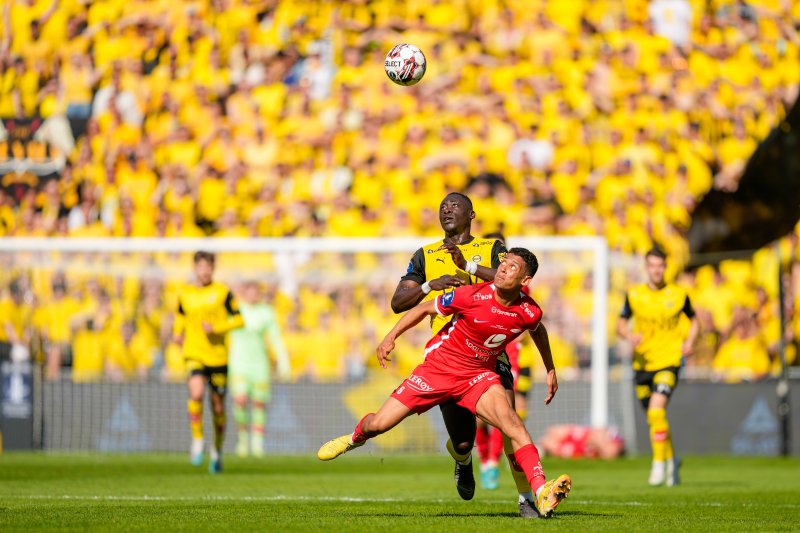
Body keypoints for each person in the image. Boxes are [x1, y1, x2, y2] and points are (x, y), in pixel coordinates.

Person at [319, 248, 571, 518]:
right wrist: (391, 336)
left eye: (512, 267)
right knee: (379, 424)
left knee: (513, 424)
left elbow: (538, 330)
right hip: (437, 371)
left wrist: (550, 368)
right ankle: (354, 438)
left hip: (478, 376)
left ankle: (540, 491)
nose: (502, 268)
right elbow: (426, 307)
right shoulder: (472, 295)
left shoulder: (529, 311)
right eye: (503, 263)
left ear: (525, 280)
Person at [391, 193, 538, 517]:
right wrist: (431, 284)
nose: (447, 210)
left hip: (489, 352)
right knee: (461, 440)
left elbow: (515, 286)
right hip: (449, 354)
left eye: (454, 206)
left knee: (509, 422)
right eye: (443, 206)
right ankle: (464, 460)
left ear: (471, 214)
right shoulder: (425, 254)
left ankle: (526, 498)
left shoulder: (492, 248)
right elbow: (398, 302)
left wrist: (467, 266)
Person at [617, 247, 699, 486]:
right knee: (656, 418)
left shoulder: (678, 294)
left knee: (656, 411)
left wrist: (690, 342)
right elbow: (620, 324)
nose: (656, 270)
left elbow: (694, 321)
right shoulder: (634, 295)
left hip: (669, 361)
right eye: (652, 265)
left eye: (660, 266)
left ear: (666, 267)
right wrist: (629, 335)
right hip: (642, 364)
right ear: (646, 267)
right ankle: (672, 458)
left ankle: (658, 464)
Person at [173, 251, 244, 473]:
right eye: (200, 267)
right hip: (194, 353)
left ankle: (217, 450)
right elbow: (180, 315)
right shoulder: (185, 293)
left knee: (218, 407)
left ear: (213, 268)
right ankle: (197, 440)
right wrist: (177, 333)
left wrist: (217, 328)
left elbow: (239, 319)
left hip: (218, 356)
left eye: (208, 267)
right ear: (195, 268)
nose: (204, 271)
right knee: (195, 393)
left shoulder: (223, 292)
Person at [475, 232, 532, 491]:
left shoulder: (518, 285)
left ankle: (493, 464)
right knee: (477, 417)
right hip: (476, 353)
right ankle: (483, 458)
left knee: (506, 412)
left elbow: (532, 320)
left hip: (508, 355)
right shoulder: (478, 285)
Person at [229, 280, 292, 457]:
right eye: (250, 291)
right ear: (244, 292)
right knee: (240, 400)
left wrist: (283, 360)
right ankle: (242, 439)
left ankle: (257, 444)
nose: (253, 295)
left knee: (259, 404)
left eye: (257, 292)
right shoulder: (235, 310)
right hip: (239, 364)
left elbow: (275, 338)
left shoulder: (266, 312)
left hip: (259, 365)